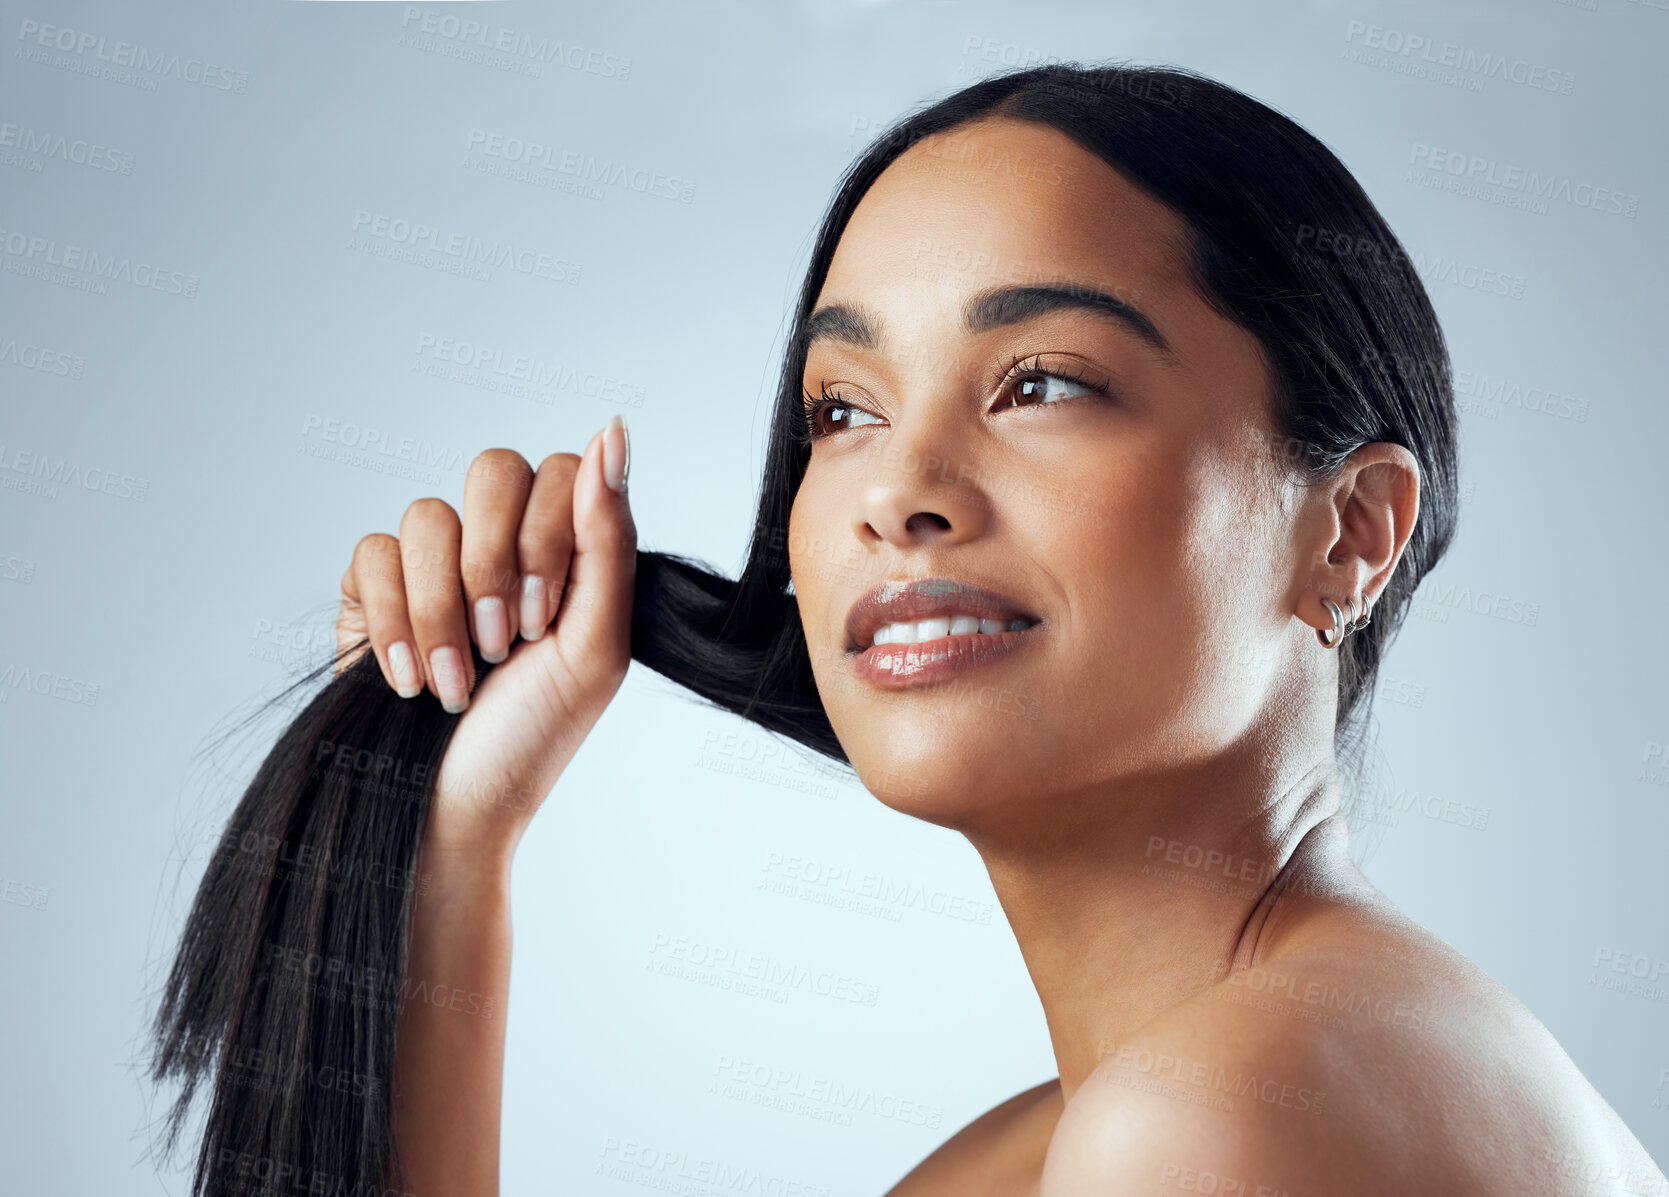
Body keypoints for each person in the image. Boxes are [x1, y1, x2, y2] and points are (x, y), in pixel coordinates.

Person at [160, 64, 1667, 1196]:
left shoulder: (1218, 1115)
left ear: (1351, 530)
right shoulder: (1091, 1131)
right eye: (843, 410)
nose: (902, 491)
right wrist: (451, 846)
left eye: (1042, 382)